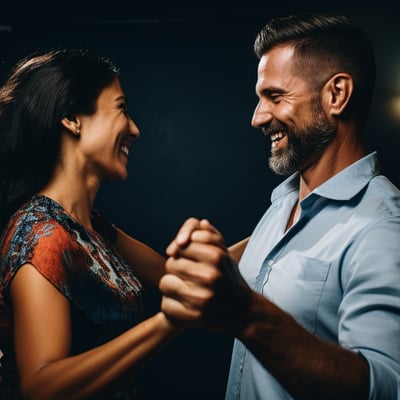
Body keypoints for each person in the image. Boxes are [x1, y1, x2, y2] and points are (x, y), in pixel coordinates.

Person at [159, 12, 400, 399]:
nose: (257, 118)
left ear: (336, 95)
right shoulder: (282, 203)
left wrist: (249, 316)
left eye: (275, 96)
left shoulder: (382, 228)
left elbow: (385, 387)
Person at [0, 48, 181, 399]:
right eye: (121, 109)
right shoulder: (42, 235)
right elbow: (42, 387)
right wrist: (169, 323)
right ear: (72, 118)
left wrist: (282, 219)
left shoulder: (91, 227)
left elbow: (178, 278)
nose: (135, 129)